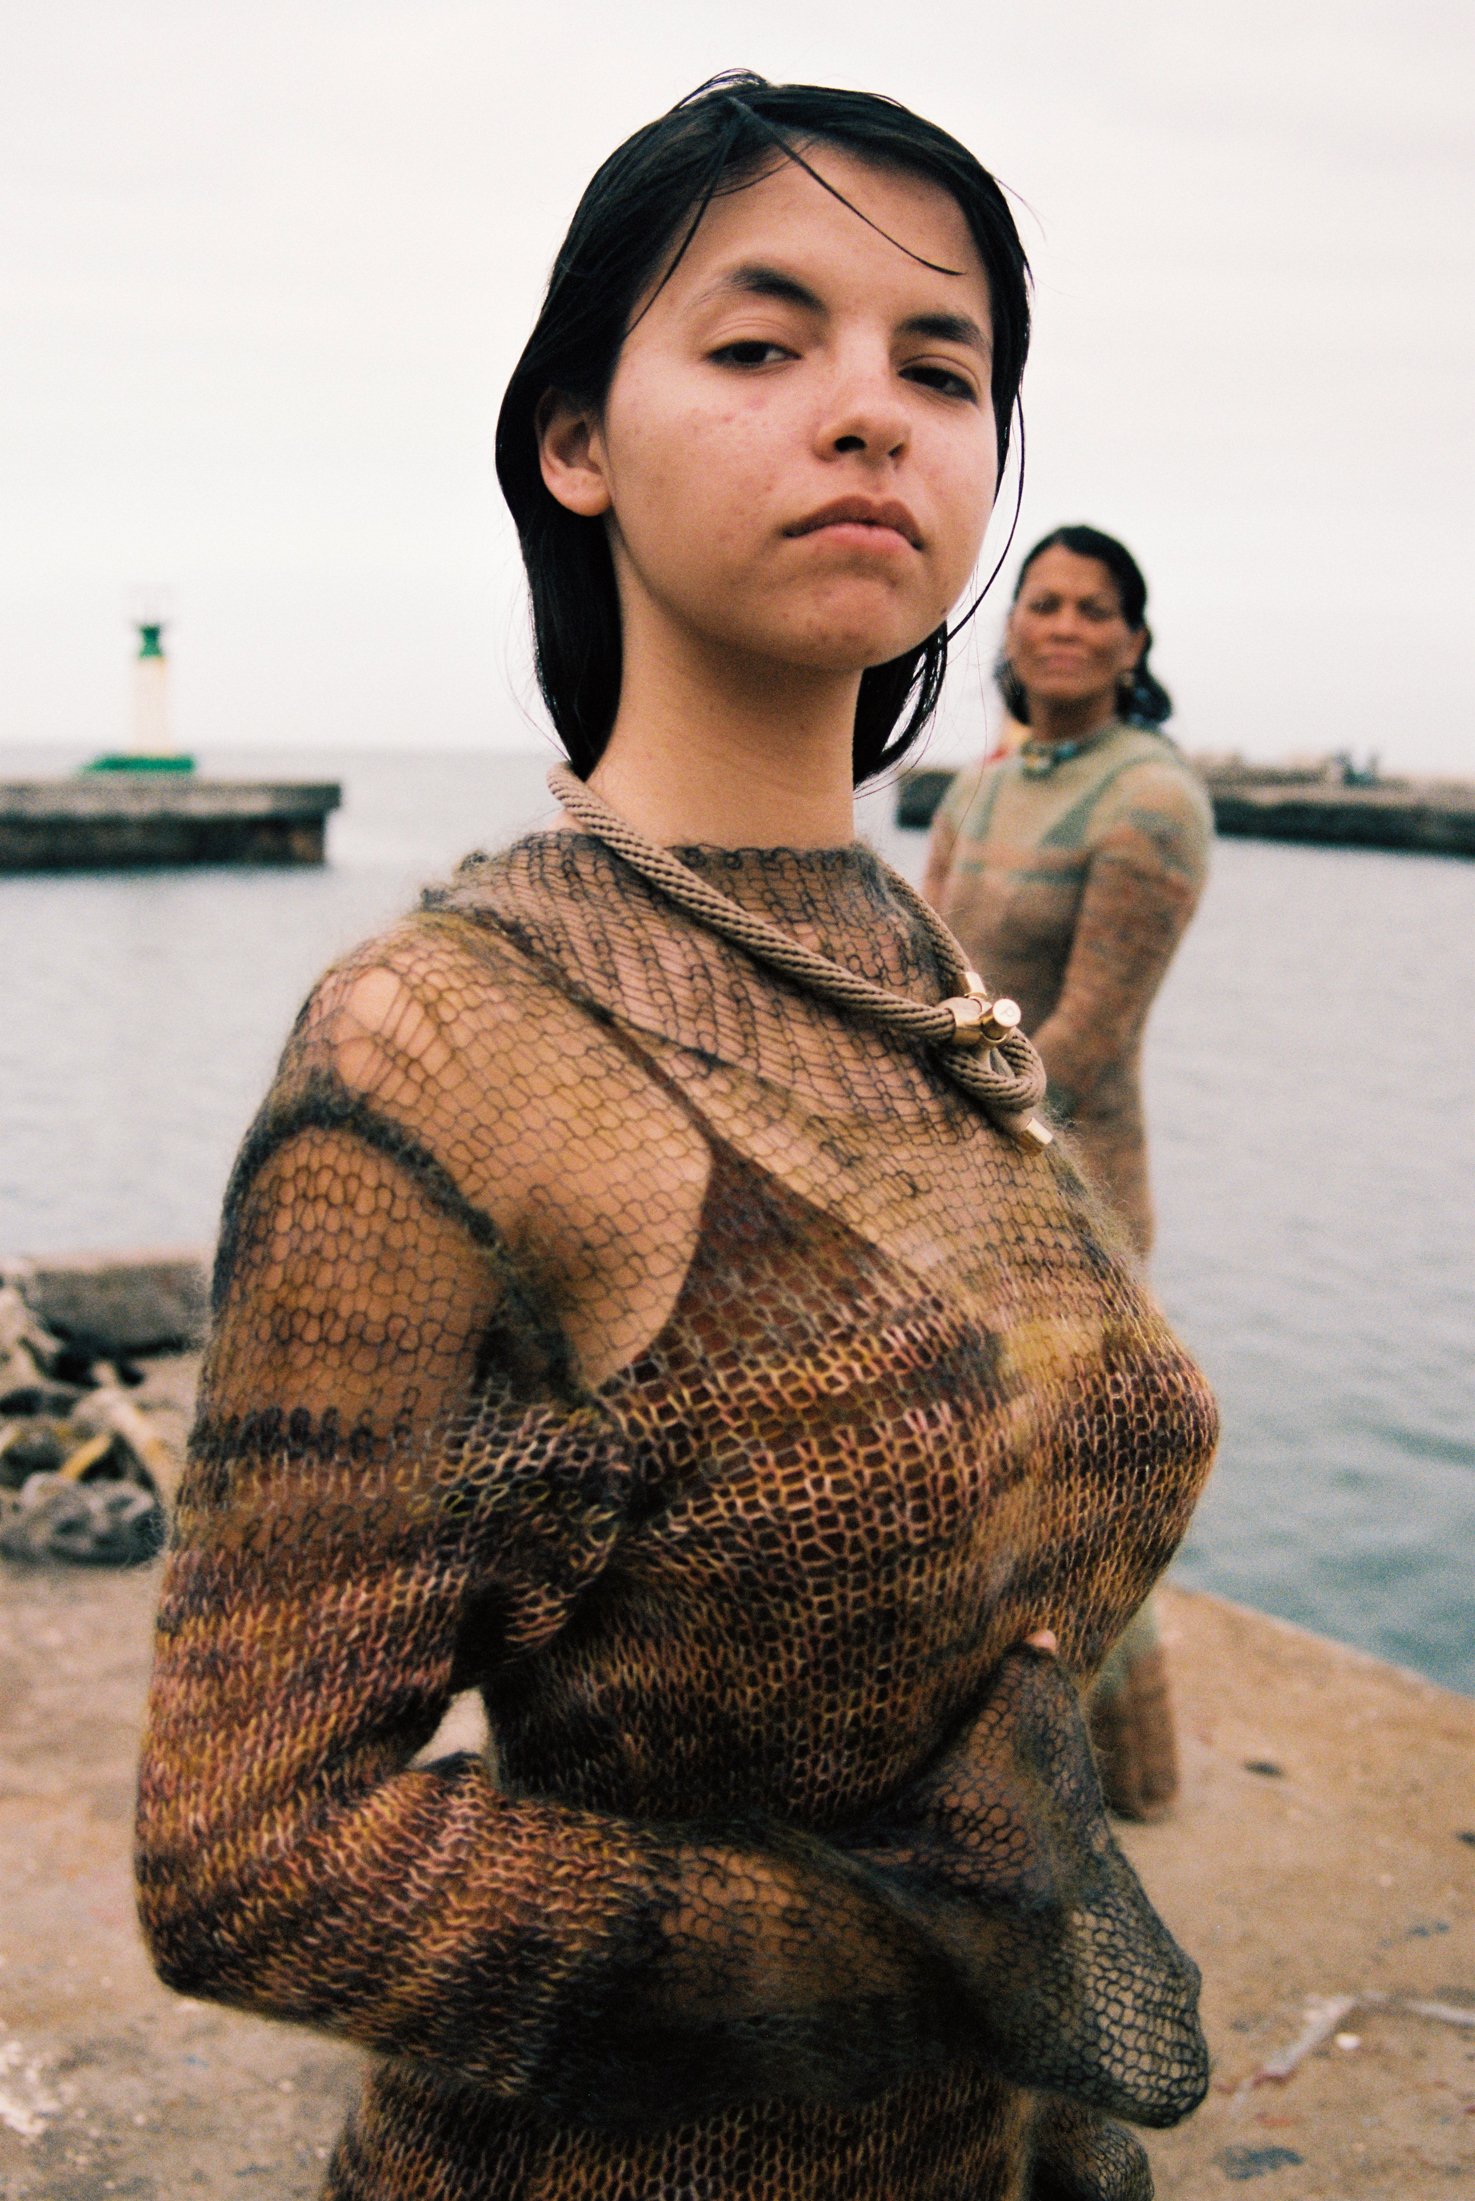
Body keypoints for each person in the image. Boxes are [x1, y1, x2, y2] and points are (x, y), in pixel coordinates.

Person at [137, 79, 1218, 2201]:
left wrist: (1061, 2089)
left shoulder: (890, 955)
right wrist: (902, 1946)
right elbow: (248, 1856)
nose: (871, 413)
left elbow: (1004, 1740)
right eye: (759, 342)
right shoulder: (436, 1042)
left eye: (944, 365)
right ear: (575, 438)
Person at [924, 526, 1213, 1821]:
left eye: (1097, 609)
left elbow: (1089, 1030)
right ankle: (1005, 1768)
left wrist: (965, 1148)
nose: (1065, 624)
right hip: (955, 1170)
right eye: (1043, 601)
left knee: (1073, 1491)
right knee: (982, 1484)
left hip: (1068, 1188)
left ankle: (1129, 1773)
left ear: (1134, 643)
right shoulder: (985, 787)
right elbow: (919, 958)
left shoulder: (1151, 797)